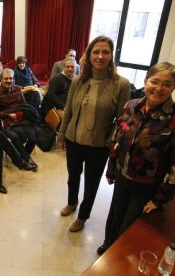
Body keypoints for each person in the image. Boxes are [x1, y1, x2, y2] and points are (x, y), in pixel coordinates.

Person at [97, 62, 175, 255]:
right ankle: (109, 247)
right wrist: (111, 169)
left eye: (167, 84)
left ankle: (119, 258)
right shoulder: (131, 106)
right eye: (155, 81)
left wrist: (161, 198)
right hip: (122, 177)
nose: (159, 88)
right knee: (115, 218)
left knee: (130, 227)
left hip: (147, 186)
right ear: (145, 81)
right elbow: (117, 139)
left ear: (174, 87)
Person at [58, 36, 130, 232]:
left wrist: (110, 142)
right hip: (74, 139)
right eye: (95, 52)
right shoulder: (78, 81)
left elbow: (122, 121)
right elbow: (69, 110)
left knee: (91, 183)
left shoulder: (121, 84)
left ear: (111, 56)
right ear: (88, 56)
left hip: (99, 145)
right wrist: (62, 134)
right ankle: (72, 203)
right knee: (73, 176)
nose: (100, 56)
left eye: (105, 52)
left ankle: (82, 216)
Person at [0, 68, 39, 171]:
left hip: (21, 119)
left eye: (11, 78)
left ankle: (20, 157)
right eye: (6, 78)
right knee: (14, 136)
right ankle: (26, 159)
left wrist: (19, 114)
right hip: (6, 121)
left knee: (35, 135)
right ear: (0, 79)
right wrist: (8, 115)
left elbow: (24, 105)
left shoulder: (17, 89)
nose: (8, 81)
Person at [41, 57, 76, 121]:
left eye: (72, 67)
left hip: (70, 107)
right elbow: (51, 95)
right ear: (63, 67)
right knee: (70, 119)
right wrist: (64, 107)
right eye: (67, 67)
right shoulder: (57, 79)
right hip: (55, 108)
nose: (70, 69)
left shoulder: (76, 79)